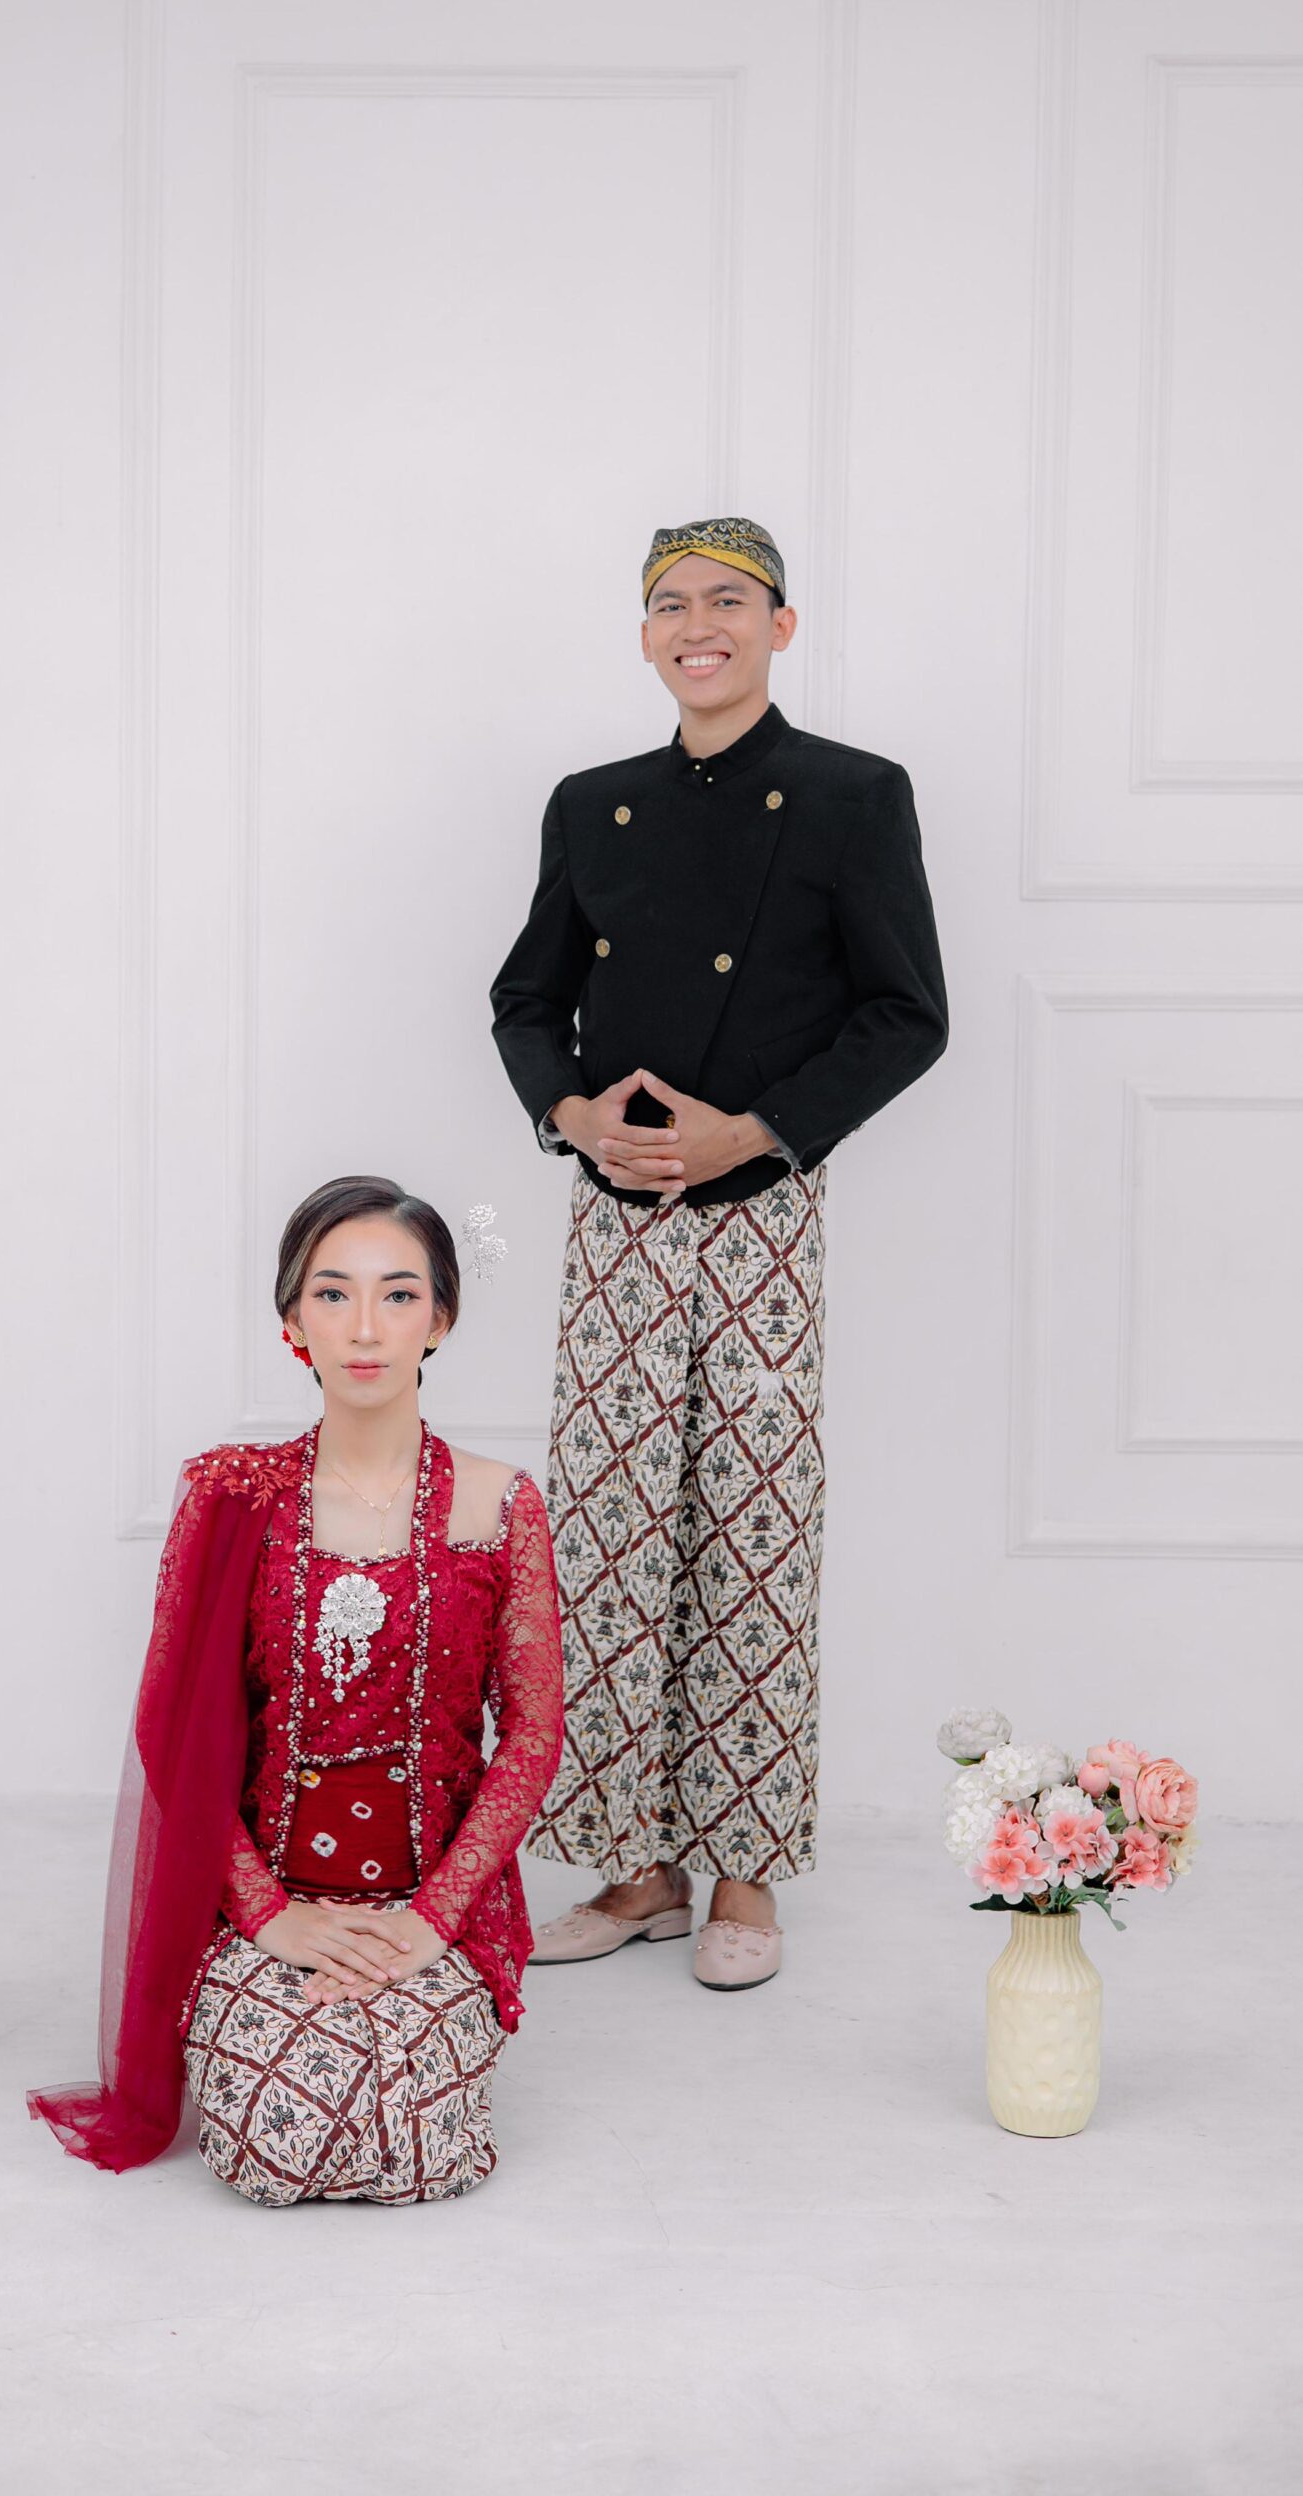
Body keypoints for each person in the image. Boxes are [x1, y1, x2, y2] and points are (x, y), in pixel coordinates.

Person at [490, 515, 947, 1992]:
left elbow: (907, 1015)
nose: (700, 625)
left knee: (752, 1532)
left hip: (762, 1215)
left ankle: (744, 1869)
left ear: (779, 626)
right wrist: (570, 1115)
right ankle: (635, 1867)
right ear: (644, 636)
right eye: (671, 604)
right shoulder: (591, 804)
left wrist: (750, 1133)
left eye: (730, 601)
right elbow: (524, 1000)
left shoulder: (853, 794)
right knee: (608, 1538)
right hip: (615, 1220)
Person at [28, 1175, 562, 2202]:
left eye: (398, 1294)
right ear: (291, 1321)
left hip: (429, 1906)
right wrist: (270, 1916)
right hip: (264, 1901)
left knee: (423, 2145)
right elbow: (172, 1730)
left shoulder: (501, 1504)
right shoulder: (233, 1496)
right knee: (279, 2149)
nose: (364, 1327)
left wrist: (432, 1919)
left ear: (441, 1319)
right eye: (332, 1293)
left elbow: (534, 1732)